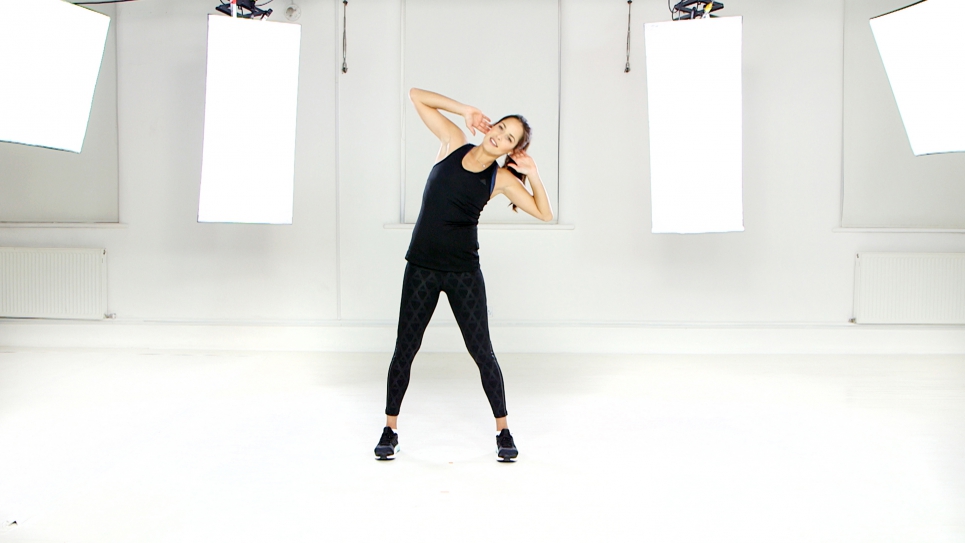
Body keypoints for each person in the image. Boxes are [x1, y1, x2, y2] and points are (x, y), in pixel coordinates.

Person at [374, 88, 553, 462]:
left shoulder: (499, 178)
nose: (500, 136)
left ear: (511, 150)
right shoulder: (453, 141)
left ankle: (503, 431)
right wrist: (464, 109)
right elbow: (416, 96)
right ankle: (390, 429)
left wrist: (534, 174)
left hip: (463, 273)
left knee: (481, 350)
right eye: (500, 127)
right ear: (490, 126)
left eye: (509, 138)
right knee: (405, 348)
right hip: (421, 267)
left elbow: (544, 213)